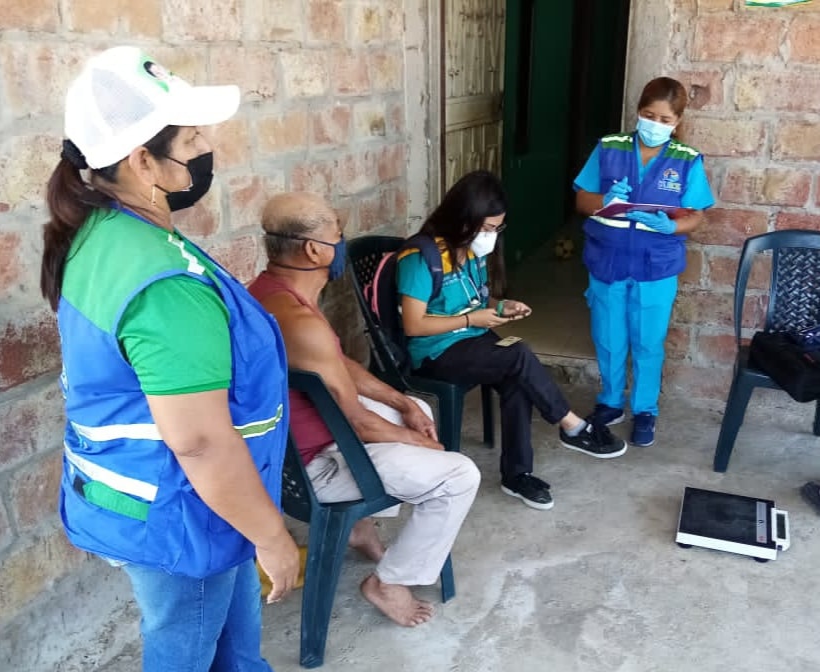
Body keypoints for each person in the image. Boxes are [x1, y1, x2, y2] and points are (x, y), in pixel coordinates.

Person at [40, 47, 328, 672]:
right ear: (143, 159)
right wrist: (273, 536)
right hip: (178, 503)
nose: (205, 151)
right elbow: (199, 441)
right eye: (192, 140)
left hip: (176, 496)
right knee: (181, 644)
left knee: (225, 605)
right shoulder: (163, 284)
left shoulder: (108, 230)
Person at [249, 192, 479, 628]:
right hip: (316, 468)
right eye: (337, 234)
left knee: (414, 407)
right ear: (314, 250)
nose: (342, 244)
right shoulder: (300, 321)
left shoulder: (271, 293)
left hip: (300, 446)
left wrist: (401, 403)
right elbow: (355, 421)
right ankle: (388, 582)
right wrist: (420, 444)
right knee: (458, 476)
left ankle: (360, 529)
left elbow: (337, 363)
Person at [396, 170, 627, 513]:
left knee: (517, 374)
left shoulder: (469, 251)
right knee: (518, 355)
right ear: (464, 218)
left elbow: (473, 300)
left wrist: (500, 306)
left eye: (497, 229)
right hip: (435, 352)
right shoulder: (422, 257)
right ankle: (572, 426)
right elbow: (414, 325)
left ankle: (517, 475)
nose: (491, 236)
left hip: (472, 339)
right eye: (487, 228)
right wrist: (472, 320)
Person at [574, 76, 715, 447]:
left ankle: (645, 409)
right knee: (608, 337)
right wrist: (604, 201)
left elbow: (697, 215)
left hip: (656, 266)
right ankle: (610, 402)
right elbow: (582, 200)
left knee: (648, 342)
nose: (655, 124)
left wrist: (671, 226)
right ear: (638, 112)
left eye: (665, 119)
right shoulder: (609, 147)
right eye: (649, 115)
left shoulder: (686, 160)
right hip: (607, 260)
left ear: (677, 122)